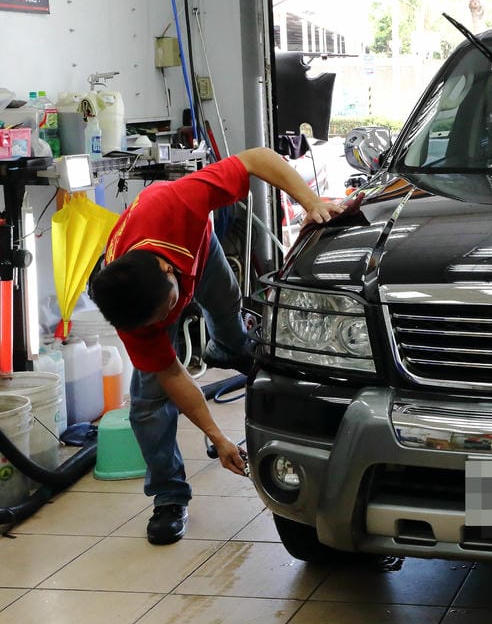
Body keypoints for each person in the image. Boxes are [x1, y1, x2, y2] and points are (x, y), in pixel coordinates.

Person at [90, 147, 343, 545]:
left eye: (170, 310)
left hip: (198, 247)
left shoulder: (177, 202)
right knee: (149, 402)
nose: (167, 323)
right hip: (156, 279)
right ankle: (169, 497)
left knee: (226, 304)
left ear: (166, 268)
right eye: (159, 323)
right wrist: (217, 437)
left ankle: (229, 347)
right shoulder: (135, 316)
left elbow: (258, 158)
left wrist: (311, 203)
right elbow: (173, 374)